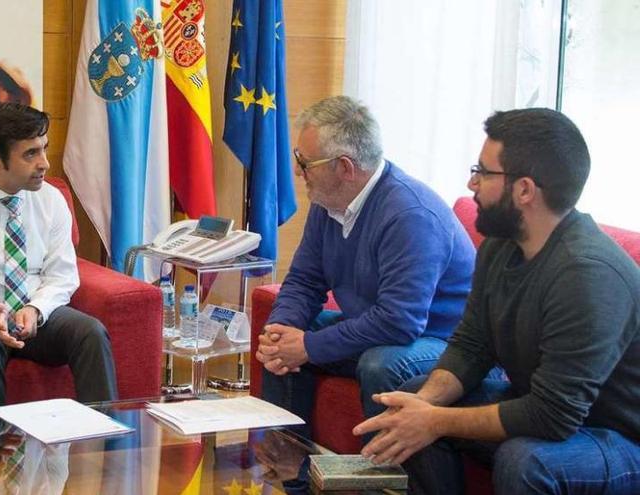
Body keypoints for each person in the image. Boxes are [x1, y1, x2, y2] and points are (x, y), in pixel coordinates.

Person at [354, 108, 640, 494]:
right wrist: (421, 407)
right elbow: (472, 345)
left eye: (483, 172)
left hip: (619, 437)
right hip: (546, 408)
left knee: (526, 459)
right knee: (413, 398)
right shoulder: (500, 246)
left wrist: (433, 420)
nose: (472, 183)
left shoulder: (588, 274)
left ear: (524, 190)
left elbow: (553, 416)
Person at [255, 95, 478, 437]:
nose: (298, 172)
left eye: (305, 162)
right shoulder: (329, 200)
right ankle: (289, 471)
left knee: (381, 363)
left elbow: (399, 322)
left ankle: (382, 481)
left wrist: (309, 347)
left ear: (344, 167)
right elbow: (303, 281)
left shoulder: (410, 215)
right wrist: (282, 329)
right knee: (280, 342)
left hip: (443, 341)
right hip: (380, 327)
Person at [0, 103, 118, 413]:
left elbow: (62, 275)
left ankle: (107, 447)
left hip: (32, 311)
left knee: (89, 332)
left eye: (44, 149)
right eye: (31, 154)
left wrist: (35, 308)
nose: (44, 163)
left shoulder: (51, 199)